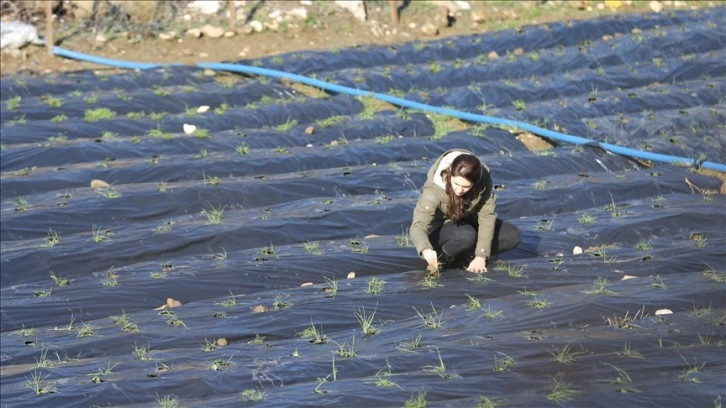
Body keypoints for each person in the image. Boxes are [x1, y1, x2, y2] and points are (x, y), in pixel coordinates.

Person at [410, 149, 521, 273]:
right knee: (465, 235)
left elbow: (487, 216)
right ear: (450, 174)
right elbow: (418, 226)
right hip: (442, 229)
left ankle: (469, 255)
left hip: (468, 220)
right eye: (456, 184)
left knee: (512, 235)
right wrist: (426, 249)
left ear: (475, 182)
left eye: (466, 187)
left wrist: (481, 255)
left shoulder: (483, 182)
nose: (459, 190)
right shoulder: (434, 189)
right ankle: (445, 258)